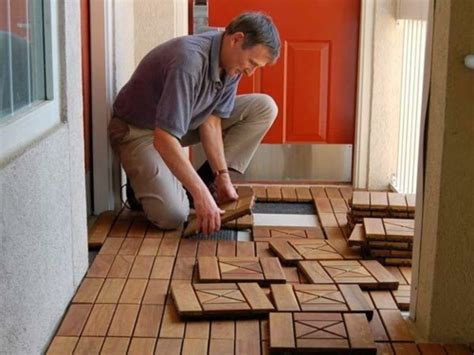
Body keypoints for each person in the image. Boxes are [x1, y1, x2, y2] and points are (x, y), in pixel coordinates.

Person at [109, 12, 280, 235]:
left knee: (264, 107)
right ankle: (143, 189)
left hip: (179, 122)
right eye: (251, 63)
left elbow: (212, 121)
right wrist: (202, 196)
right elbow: (163, 138)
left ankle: (198, 186)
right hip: (138, 131)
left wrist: (222, 176)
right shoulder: (188, 61)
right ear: (236, 39)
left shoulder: (231, 64)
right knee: (173, 215)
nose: (250, 72)